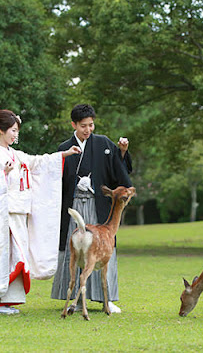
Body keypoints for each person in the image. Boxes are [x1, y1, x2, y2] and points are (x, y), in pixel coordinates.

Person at [0, 109, 81, 315]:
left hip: (18, 212)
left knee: (17, 255)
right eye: (13, 130)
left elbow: (37, 162)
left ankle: (7, 299)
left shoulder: (15, 154)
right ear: (1, 130)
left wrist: (64, 154)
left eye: (17, 130)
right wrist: (2, 175)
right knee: (2, 255)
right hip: (3, 215)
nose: (16, 134)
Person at [50, 104, 133, 313]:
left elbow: (119, 173)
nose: (88, 130)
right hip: (74, 205)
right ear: (74, 125)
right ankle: (76, 300)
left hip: (98, 206)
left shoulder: (104, 143)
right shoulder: (64, 148)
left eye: (91, 125)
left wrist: (122, 153)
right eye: (83, 126)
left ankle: (108, 298)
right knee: (76, 250)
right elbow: (54, 179)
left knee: (104, 247)